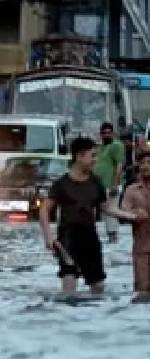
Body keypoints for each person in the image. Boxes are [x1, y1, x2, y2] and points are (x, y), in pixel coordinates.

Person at [39, 136, 143, 295]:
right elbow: (44, 210)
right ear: (79, 156)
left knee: (98, 287)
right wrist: (48, 237)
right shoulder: (61, 184)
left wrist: (132, 216)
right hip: (67, 238)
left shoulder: (95, 182)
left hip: (90, 237)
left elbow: (106, 207)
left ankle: (94, 317)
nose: (95, 160)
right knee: (69, 285)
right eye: (92, 155)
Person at [119, 151, 150, 295]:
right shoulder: (131, 190)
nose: (145, 166)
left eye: (149, 163)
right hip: (141, 249)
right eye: (142, 163)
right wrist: (134, 214)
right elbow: (122, 214)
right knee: (142, 293)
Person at [94, 122, 126, 243]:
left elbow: (118, 165)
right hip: (100, 186)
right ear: (101, 134)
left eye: (109, 133)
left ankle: (113, 236)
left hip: (111, 185)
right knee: (105, 212)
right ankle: (109, 235)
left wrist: (114, 184)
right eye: (104, 133)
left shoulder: (116, 145)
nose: (107, 135)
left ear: (112, 133)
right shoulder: (101, 147)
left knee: (111, 210)